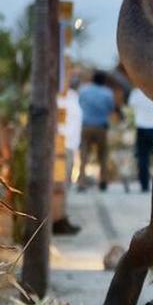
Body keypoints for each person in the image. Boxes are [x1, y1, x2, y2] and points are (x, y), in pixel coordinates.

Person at [78, 70, 118, 192]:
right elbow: (111, 108)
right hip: (101, 127)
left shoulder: (84, 90)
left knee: (84, 155)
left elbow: (80, 103)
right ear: (104, 81)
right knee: (103, 155)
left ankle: (82, 183)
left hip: (86, 126)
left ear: (92, 79)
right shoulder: (108, 93)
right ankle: (103, 181)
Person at [54, 77, 83, 234]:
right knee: (60, 186)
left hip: (69, 146)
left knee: (64, 185)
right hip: (62, 147)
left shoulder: (72, 98)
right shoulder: (62, 99)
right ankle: (57, 220)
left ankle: (61, 217)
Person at [129, 88, 153, 193]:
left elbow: (131, 105)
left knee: (142, 157)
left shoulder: (137, 92)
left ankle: (144, 185)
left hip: (142, 127)